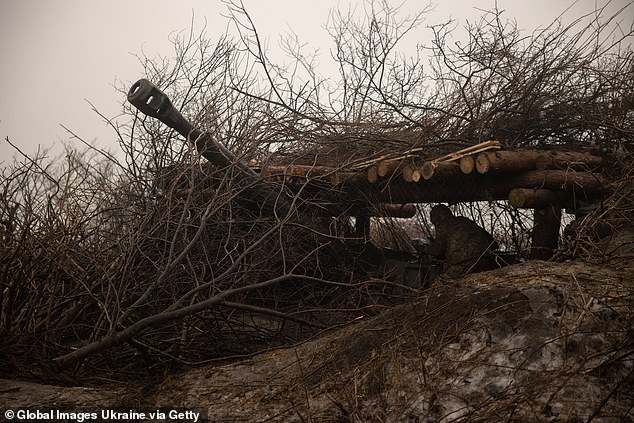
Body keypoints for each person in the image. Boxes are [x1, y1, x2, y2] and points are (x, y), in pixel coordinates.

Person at [423, 204, 498, 278]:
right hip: (484, 264)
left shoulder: (444, 225)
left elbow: (439, 252)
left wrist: (425, 249)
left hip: (461, 267)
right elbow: (493, 243)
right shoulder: (465, 221)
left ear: (437, 218)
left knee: (439, 281)